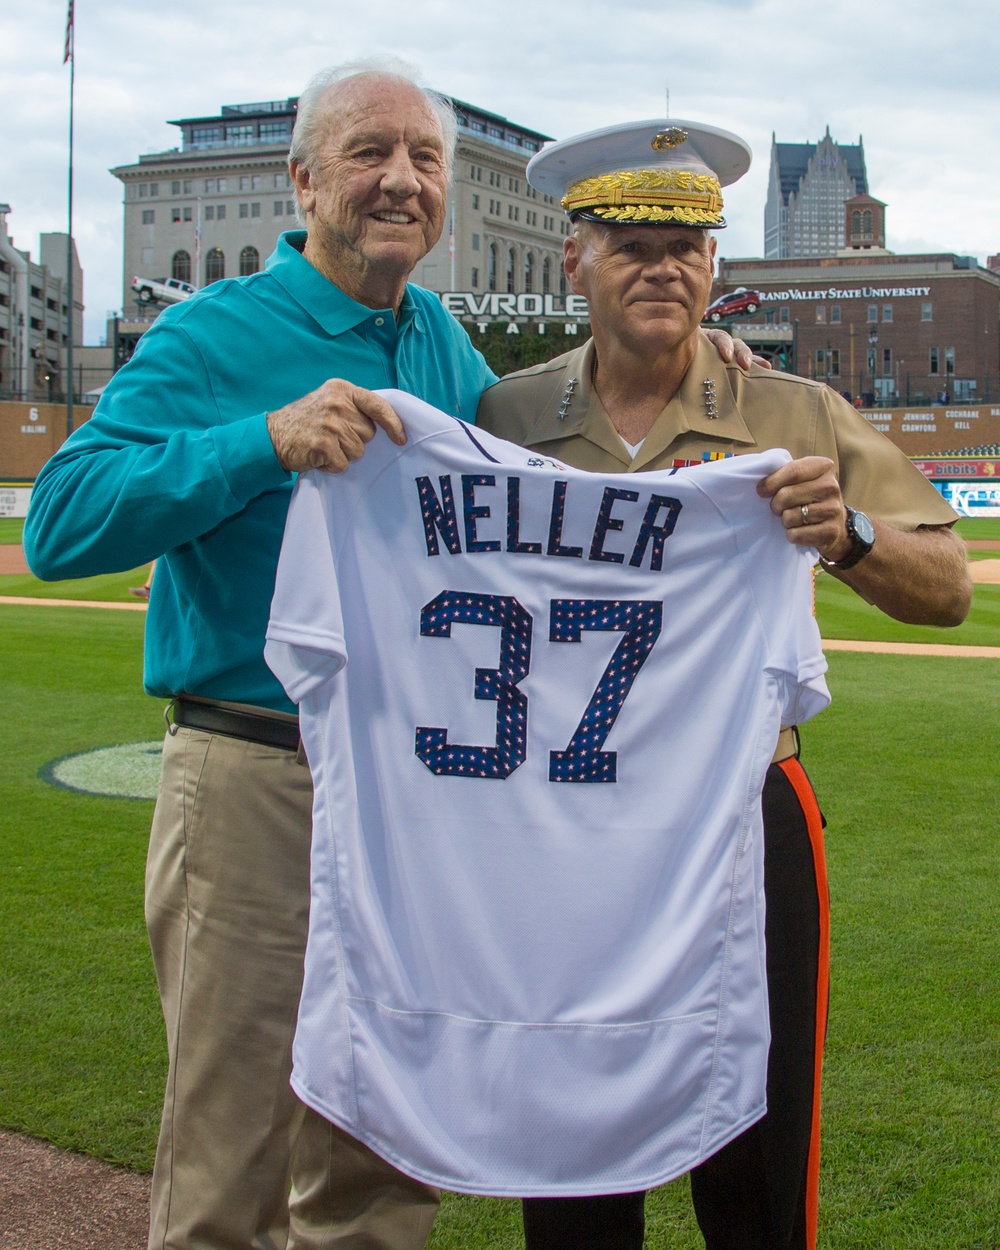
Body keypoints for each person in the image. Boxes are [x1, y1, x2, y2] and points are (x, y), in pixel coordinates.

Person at [23, 61, 756, 1250]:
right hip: (258, 770)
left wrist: (716, 382)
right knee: (234, 1153)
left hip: (413, 796)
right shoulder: (214, 333)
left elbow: (541, 513)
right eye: (370, 153)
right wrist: (261, 441)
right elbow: (60, 520)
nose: (400, 181)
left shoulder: (443, 346)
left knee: (379, 1149)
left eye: (425, 160)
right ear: (304, 178)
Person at [475, 118, 972, 1250]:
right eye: (629, 241)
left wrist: (845, 536)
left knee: (755, 1143)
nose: (663, 265)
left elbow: (945, 585)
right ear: (575, 258)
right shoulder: (506, 418)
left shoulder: (789, 411)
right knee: (570, 1151)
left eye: (687, 242)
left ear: (714, 264)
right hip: (566, 819)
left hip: (741, 809)